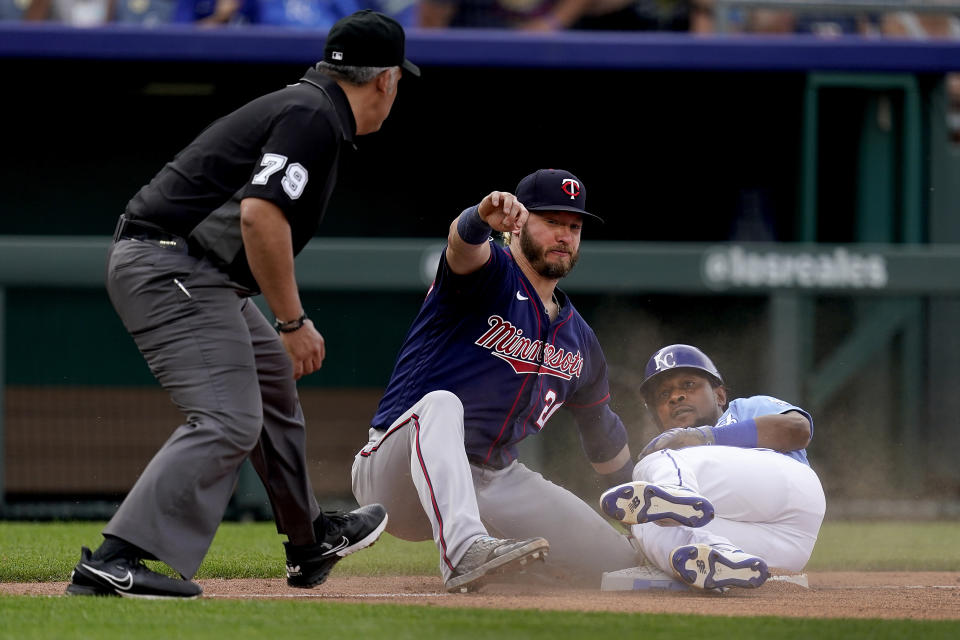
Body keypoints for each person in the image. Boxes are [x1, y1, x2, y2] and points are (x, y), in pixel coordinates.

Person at [65, 9, 420, 599]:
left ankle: (309, 541)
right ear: (385, 79)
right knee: (229, 420)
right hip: (172, 264)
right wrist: (292, 320)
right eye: (399, 81)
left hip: (193, 268)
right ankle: (116, 558)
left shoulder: (309, 105)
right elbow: (260, 217)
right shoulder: (313, 114)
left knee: (271, 380)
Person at [351, 169, 701, 593]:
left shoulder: (579, 340)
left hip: (493, 481)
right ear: (517, 225)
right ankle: (463, 554)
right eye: (551, 221)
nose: (564, 235)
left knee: (623, 564)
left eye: (574, 226)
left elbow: (603, 437)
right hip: (396, 469)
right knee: (441, 403)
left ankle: (533, 570)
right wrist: (480, 217)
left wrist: (645, 520)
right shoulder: (488, 275)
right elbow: (462, 246)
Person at [600, 344, 826, 591]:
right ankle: (717, 561)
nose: (675, 396)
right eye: (663, 395)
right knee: (646, 522)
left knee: (653, 463)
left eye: (688, 385)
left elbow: (798, 429)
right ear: (657, 416)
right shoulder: (680, 454)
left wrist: (703, 436)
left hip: (790, 486)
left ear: (719, 395)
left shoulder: (745, 409)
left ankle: (675, 490)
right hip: (787, 547)